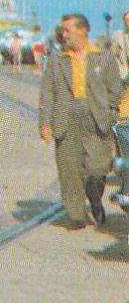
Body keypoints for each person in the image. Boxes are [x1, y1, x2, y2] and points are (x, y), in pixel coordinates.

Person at [38, 14, 127, 230]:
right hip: (66, 117)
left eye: (67, 29)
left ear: (83, 30)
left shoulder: (103, 58)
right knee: (69, 168)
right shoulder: (57, 60)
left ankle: (95, 200)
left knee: (98, 168)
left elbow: (116, 89)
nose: (63, 34)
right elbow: (48, 93)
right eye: (63, 30)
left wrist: (112, 112)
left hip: (97, 117)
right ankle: (76, 214)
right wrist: (45, 123)